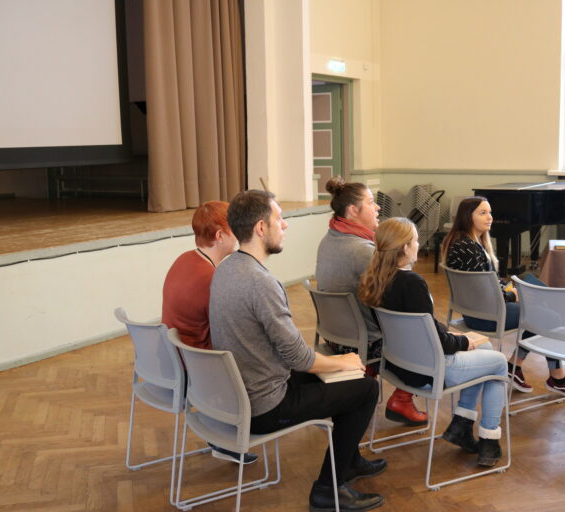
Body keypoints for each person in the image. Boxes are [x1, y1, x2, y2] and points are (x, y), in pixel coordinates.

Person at [210, 190, 385, 512]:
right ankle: (328, 490)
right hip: (264, 406)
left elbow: (289, 355)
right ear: (261, 228)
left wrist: (335, 365)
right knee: (366, 389)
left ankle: (349, 461)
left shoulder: (227, 267)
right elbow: (298, 358)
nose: (285, 225)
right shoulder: (261, 283)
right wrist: (340, 362)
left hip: (240, 393)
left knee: (348, 382)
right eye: (279, 219)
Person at [358, 217, 508, 467]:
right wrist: (462, 343)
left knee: (485, 347)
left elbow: (421, 326)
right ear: (405, 247)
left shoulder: (377, 279)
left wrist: (458, 337)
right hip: (430, 368)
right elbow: (437, 341)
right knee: (499, 363)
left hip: (400, 365)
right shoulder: (412, 283)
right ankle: (489, 439)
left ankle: (462, 424)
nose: (419, 245)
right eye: (416, 241)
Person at [315, 176, 427, 427]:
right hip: (363, 342)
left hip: (335, 335)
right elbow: (400, 295)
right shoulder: (363, 250)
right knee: (422, 331)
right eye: (371, 202)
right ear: (353, 211)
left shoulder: (329, 239)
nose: (377, 208)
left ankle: (365, 388)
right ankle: (402, 398)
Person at [441, 196, 565, 396]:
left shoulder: (465, 242)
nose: (490, 217)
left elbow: (486, 283)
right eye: (483, 213)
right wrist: (511, 296)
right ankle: (551, 375)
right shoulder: (469, 248)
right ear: (467, 217)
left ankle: (524, 369)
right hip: (486, 316)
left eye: (490, 212)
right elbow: (484, 293)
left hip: (480, 310)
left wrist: (509, 288)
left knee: (538, 297)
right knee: (550, 317)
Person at [161, 201, 257, 465]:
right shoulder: (211, 278)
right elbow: (231, 334)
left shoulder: (184, 259)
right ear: (219, 235)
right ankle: (229, 437)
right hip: (198, 369)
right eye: (235, 229)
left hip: (176, 360)